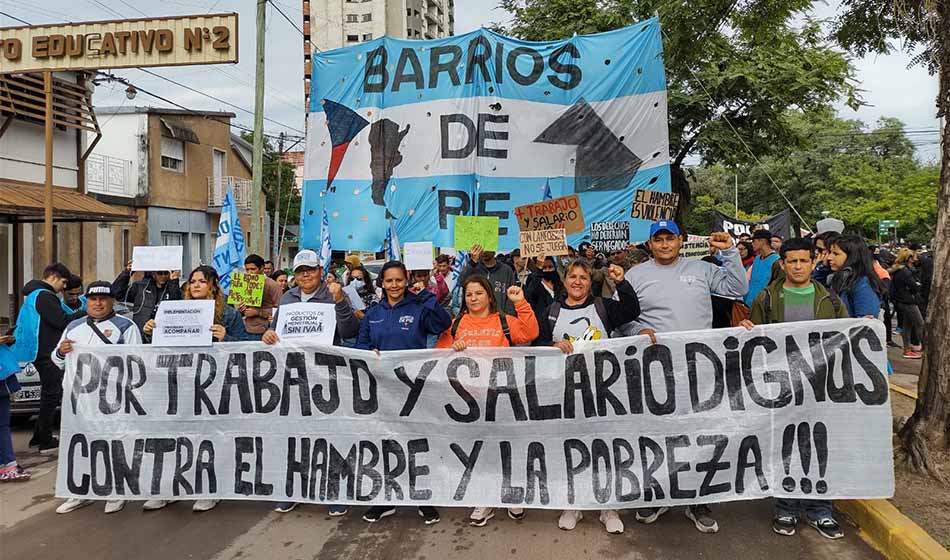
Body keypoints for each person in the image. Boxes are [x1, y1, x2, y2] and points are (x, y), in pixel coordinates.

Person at [622, 220, 747, 533]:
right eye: (658, 240)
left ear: (680, 240)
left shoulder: (702, 270)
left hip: (698, 367)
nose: (664, 245)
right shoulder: (635, 276)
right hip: (656, 367)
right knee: (658, 430)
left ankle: (697, 498)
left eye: (670, 239)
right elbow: (622, 319)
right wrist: (638, 329)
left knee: (698, 432)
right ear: (650, 244)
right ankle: (658, 493)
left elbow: (737, 289)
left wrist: (730, 251)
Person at [739, 237, 847, 540]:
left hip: (820, 388)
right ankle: (785, 506)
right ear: (783, 264)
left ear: (814, 262)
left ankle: (820, 509)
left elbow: (846, 339)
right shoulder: (766, 299)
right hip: (781, 389)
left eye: (804, 260)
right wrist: (746, 328)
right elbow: (755, 343)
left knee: (819, 447)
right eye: (792, 261)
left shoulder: (832, 301)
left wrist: (866, 328)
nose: (798, 266)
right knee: (785, 447)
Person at [534, 260, 638, 534]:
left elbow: (631, 310)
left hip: (604, 391)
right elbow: (537, 344)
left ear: (590, 282)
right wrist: (551, 345)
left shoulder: (603, 307)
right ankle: (574, 504)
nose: (577, 281)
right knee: (571, 448)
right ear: (564, 280)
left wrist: (621, 282)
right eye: (572, 277)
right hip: (566, 392)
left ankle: (608, 508)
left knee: (605, 447)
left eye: (583, 277)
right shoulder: (551, 312)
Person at [141, 266, 254, 513]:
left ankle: (208, 489)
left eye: (202, 281)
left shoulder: (229, 315)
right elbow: (161, 348)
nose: (196, 285)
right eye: (192, 281)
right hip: (180, 384)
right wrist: (150, 331)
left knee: (209, 438)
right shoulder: (173, 311)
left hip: (214, 386)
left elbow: (246, 349)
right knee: (175, 437)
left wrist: (227, 337)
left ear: (213, 285)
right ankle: (168, 489)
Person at [263, 249, 360, 515]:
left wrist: (340, 300)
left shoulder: (334, 294)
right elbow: (275, 330)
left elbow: (351, 331)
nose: (305, 274)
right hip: (295, 376)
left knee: (331, 435)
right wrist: (269, 334)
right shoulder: (287, 298)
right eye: (300, 271)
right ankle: (295, 489)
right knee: (297, 434)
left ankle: (335, 491)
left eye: (311, 269)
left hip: (327, 375)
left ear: (320, 270)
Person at [435, 277, 538, 526]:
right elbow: (437, 354)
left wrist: (520, 302)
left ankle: (512, 494)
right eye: (469, 294)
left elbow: (530, 332)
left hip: (502, 397)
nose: (473, 298)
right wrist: (452, 349)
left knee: (507, 447)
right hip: (470, 401)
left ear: (489, 296)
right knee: (480, 451)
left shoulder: (503, 322)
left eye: (479, 293)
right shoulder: (456, 324)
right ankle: (485, 498)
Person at [357, 261, 451, 525]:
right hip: (382, 388)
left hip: (414, 387)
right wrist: (369, 353)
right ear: (382, 283)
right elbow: (362, 344)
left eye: (399, 280)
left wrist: (425, 295)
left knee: (417, 442)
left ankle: (424, 498)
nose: (394, 285)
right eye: (389, 281)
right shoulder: (373, 312)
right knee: (384, 442)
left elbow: (442, 323)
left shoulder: (419, 305)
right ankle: (385, 500)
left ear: (406, 281)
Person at [52, 281, 142, 514]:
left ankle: (115, 491)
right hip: (80, 400)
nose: (98, 303)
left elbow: (136, 361)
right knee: (80, 444)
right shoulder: (73, 326)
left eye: (103, 299)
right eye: (93, 299)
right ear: (87, 301)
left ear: (112, 301)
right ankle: (79, 492)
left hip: (114, 398)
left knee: (114, 443)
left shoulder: (126, 326)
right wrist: (61, 351)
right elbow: (57, 359)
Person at [15, 263, 86, 453]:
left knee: (50, 393)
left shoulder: (35, 295)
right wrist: (86, 312)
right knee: (51, 395)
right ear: (53, 278)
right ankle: (45, 439)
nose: (64, 287)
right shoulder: (44, 296)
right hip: (46, 353)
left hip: (39, 351)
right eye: (63, 282)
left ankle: (39, 436)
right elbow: (61, 321)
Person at [113, 262, 182, 334]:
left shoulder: (173, 288)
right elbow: (117, 293)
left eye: (166, 273)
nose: (163, 276)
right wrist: (127, 272)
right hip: (141, 333)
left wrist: (174, 281)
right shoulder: (140, 287)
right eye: (160, 273)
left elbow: (176, 306)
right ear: (154, 274)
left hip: (163, 333)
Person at [827, 235, 884, 318]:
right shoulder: (840, 279)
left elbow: (866, 325)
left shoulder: (862, 284)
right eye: (830, 252)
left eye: (836, 254)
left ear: (852, 257)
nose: (829, 257)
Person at [0, 333, 30, 482]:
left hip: (2, 379)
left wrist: (8, 341)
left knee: (3, 425)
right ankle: (9, 466)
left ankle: (8, 466)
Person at [237, 254, 284, 341]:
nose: (250, 272)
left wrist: (258, 312)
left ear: (262, 268)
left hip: (265, 332)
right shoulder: (244, 283)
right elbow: (241, 308)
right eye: (247, 269)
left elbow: (280, 310)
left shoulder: (273, 285)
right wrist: (241, 309)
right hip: (246, 329)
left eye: (253, 269)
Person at [461, 244, 518, 315]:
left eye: (488, 248)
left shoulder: (506, 270)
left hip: (500, 319)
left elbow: (511, 297)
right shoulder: (473, 268)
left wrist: (508, 317)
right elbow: (461, 282)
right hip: (477, 318)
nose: (484, 251)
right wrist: (472, 262)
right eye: (482, 248)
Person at [889, 249, 924, 359]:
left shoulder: (898, 270)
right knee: (919, 323)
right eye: (913, 257)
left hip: (902, 300)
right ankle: (924, 347)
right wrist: (917, 285)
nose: (915, 259)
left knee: (907, 326)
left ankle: (907, 349)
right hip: (908, 301)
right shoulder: (905, 271)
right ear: (908, 258)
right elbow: (914, 285)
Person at [745, 229, 781, 306]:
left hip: (765, 305)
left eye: (754, 241)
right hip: (750, 303)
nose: (752, 244)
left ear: (763, 241)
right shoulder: (757, 259)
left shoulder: (777, 261)